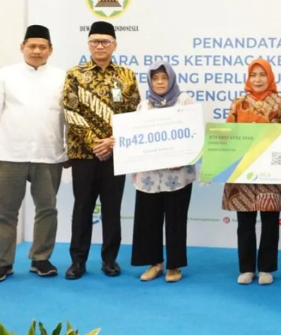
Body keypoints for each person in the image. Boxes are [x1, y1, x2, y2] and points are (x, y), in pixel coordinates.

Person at [0, 25, 67, 283]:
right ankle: (2, 263)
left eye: (42, 47)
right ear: (22, 47)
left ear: (50, 50)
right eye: (32, 46)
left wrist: (68, 149)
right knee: (4, 212)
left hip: (49, 154)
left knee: (47, 209)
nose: (37, 51)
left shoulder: (62, 77)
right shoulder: (5, 75)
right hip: (10, 153)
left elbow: (69, 117)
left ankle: (41, 259)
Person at [63, 21, 141, 279]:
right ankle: (77, 262)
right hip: (84, 154)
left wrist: (112, 141)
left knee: (111, 209)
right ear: (88, 44)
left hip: (116, 152)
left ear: (114, 45)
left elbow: (134, 113)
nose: (100, 46)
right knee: (82, 208)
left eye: (105, 41)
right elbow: (71, 112)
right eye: (95, 41)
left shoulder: (127, 75)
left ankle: (110, 260)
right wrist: (96, 143)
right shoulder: (75, 74)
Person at [223, 59, 281, 286]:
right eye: (253, 75)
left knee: (270, 222)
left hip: (270, 174)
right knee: (244, 223)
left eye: (262, 75)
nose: (257, 79)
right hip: (243, 174)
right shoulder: (238, 104)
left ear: (270, 77)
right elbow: (228, 136)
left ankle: (266, 268)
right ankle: (246, 268)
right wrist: (222, 164)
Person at [131, 62, 196, 283]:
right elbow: (135, 138)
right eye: (155, 78)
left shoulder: (184, 102)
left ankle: (174, 266)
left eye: (164, 78)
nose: (160, 82)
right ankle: (155, 263)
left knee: (176, 220)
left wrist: (182, 156)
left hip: (178, 176)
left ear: (172, 79)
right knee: (149, 220)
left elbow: (194, 135)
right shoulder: (144, 105)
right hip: (148, 176)